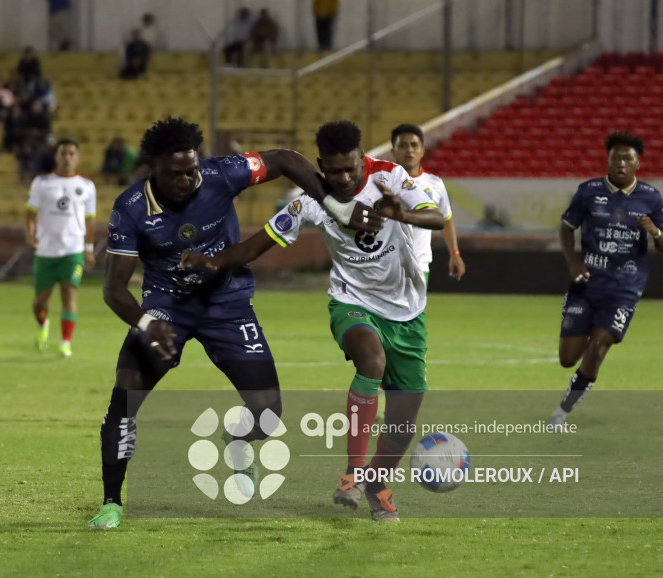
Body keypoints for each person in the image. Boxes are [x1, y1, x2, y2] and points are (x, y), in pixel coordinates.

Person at [87, 117, 383, 529]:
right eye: (176, 173)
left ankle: (237, 439)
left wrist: (336, 204)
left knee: (268, 414)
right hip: (166, 309)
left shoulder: (221, 173)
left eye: (192, 168)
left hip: (228, 303)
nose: (189, 179)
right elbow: (114, 289)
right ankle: (111, 503)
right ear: (152, 168)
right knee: (125, 397)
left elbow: (284, 159)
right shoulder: (131, 208)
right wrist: (145, 324)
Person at [179, 120, 444, 522]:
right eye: (333, 171)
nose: (342, 178)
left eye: (350, 168)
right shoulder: (311, 202)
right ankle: (352, 475)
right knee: (371, 361)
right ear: (320, 165)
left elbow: (436, 217)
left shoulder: (391, 177)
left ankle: (377, 483)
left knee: (404, 422)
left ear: (362, 159)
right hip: (351, 303)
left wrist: (402, 214)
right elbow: (255, 246)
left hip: (408, 311)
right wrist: (213, 260)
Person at [548, 133, 663, 430]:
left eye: (627, 158)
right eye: (615, 157)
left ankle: (561, 413)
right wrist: (573, 262)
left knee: (599, 348)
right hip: (586, 285)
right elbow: (566, 228)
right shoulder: (588, 192)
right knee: (567, 358)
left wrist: (654, 231)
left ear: (637, 163)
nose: (620, 163)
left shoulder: (651, 198)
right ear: (608, 160)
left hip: (623, 291)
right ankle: (589, 333)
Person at [25, 139, 97, 357]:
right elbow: (30, 213)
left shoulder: (87, 186)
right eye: (63, 153)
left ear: (78, 157)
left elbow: (90, 220)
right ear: (56, 156)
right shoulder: (42, 183)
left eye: (72, 153)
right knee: (40, 302)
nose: (67, 157)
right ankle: (42, 324)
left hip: (73, 250)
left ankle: (65, 341)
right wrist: (30, 234)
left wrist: (89, 248)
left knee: (69, 295)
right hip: (46, 250)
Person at [391, 123, 465, 281]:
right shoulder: (382, 182)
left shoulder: (435, 184)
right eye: (403, 145)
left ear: (422, 151)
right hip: (385, 265)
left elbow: (446, 218)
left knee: (413, 307)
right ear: (393, 151)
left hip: (418, 265)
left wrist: (454, 253)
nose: (409, 150)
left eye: (414, 145)